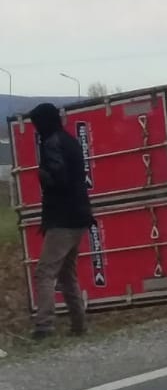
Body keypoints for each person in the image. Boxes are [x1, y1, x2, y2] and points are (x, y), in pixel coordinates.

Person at [27, 103, 94, 340]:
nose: (36, 129)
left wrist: (43, 175)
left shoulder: (52, 143)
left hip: (62, 218)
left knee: (44, 272)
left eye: (36, 124)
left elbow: (59, 179)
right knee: (67, 274)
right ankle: (79, 326)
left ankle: (44, 326)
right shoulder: (71, 141)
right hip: (80, 216)